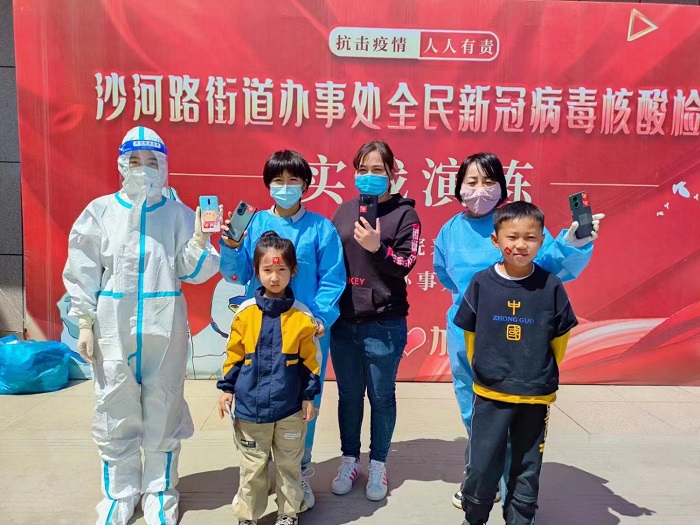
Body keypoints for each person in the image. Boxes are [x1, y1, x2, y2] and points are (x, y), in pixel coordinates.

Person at [63, 126, 221, 525]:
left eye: (152, 161)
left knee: (162, 407)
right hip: (112, 326)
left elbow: (193, 272)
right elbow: (82, 270)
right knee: (114, 406)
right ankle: (119, 494)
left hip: (164, 325)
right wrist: (85, 321)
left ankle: (159, 491)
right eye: (135, 161)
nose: (144, 168)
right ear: (122, 164)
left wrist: (199, 239)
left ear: (164, 166)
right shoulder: (100, 212)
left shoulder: (178, 213)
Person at [432, 152, 603, 508]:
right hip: (469, 332)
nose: (480, 189)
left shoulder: (515, 222)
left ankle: (514, 486)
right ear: (458, 186)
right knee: (475, 411)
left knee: (515, 412)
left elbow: (550, 263)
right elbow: (445, 274)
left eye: (488, 181)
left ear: (502, 187)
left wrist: (573, 242)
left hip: (517, 331)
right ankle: (482, 477)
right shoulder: (450, 230)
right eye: (471, 182)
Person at [219, 149, 346, 508]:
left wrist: (318, 319)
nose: (286, 186)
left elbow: (332, 279)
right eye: (278, 180)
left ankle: (298, 471)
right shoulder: (254, 224)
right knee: (253, 395)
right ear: (268, 184)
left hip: (304, 330)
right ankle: (255, 475)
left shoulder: (321, 229)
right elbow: (236, 274)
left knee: (303, 401)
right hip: (259, 328)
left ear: (306, 185)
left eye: (293, 180)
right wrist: (231, 246)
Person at [453, 201, 578, 525]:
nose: (521, 245)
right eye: (512, 237)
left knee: (526, 467)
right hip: (491, 393)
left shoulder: (550, 286)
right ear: (496, 240)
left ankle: (520, 519)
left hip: (535, 395)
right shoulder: (481, 283)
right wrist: (486, 371)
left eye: (530, 237)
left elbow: (559, 339)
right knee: (482, 465)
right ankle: (474, 517)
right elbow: (470, 335)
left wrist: (536, 372)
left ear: (542, 241)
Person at [329, 140, 421, 502]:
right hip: (343, 322)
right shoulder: (343, 211)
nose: (369, 176)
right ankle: (350, 459)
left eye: (378, 170)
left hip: (384, 323)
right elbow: (331, 263)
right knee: (349, 396)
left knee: (381, 398)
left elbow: (405, 263)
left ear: (392, 173)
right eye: (362, 169)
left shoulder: (405, 215)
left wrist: (377, 248)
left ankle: (379, 462)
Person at [217, 231, 320, 525]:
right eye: (267, 270)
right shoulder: (245, 314)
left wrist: (308, 397)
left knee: (289, 466)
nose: (274, 277)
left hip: (290, 410)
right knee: (252, 468)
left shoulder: (302, 317)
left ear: (293, 271)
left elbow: (310, 363)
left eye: (281, 270)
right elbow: (234, 355)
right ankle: (248, 516)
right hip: (251, 410)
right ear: (257, 271)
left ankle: (288, 513)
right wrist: (227, 390)